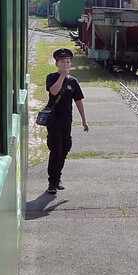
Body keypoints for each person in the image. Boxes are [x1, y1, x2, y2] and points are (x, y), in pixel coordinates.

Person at [43, 47, 88, 194]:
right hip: (53, 120)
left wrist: (84, 120)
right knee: (56, 150)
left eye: (68, 62)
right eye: (62, 62)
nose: (65, 64)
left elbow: (78, 101)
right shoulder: (51, 77)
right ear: (57, 64)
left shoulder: (73, 82)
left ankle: (58, 177)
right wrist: (62, 76)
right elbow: (54, 91)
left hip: (66, 121)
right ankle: (52, 182)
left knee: (65, 148)